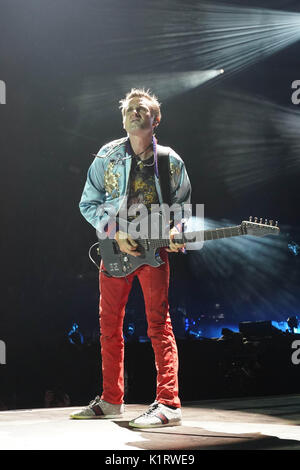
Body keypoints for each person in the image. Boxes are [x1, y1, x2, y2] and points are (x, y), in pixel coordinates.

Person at [70, 89, 191, 428]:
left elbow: (182, 209)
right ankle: (111, 400)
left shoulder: (170, 160)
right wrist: (113, 232)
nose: (134, 112)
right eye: (129, 109)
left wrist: (178, 229)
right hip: (114, 252)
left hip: (153, 251)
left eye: (142, 108)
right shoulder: (108, 155)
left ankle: (169, 404)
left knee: (158, 324)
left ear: (156, 119)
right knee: (109, 325)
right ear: (123, 118)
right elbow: (87, 203)